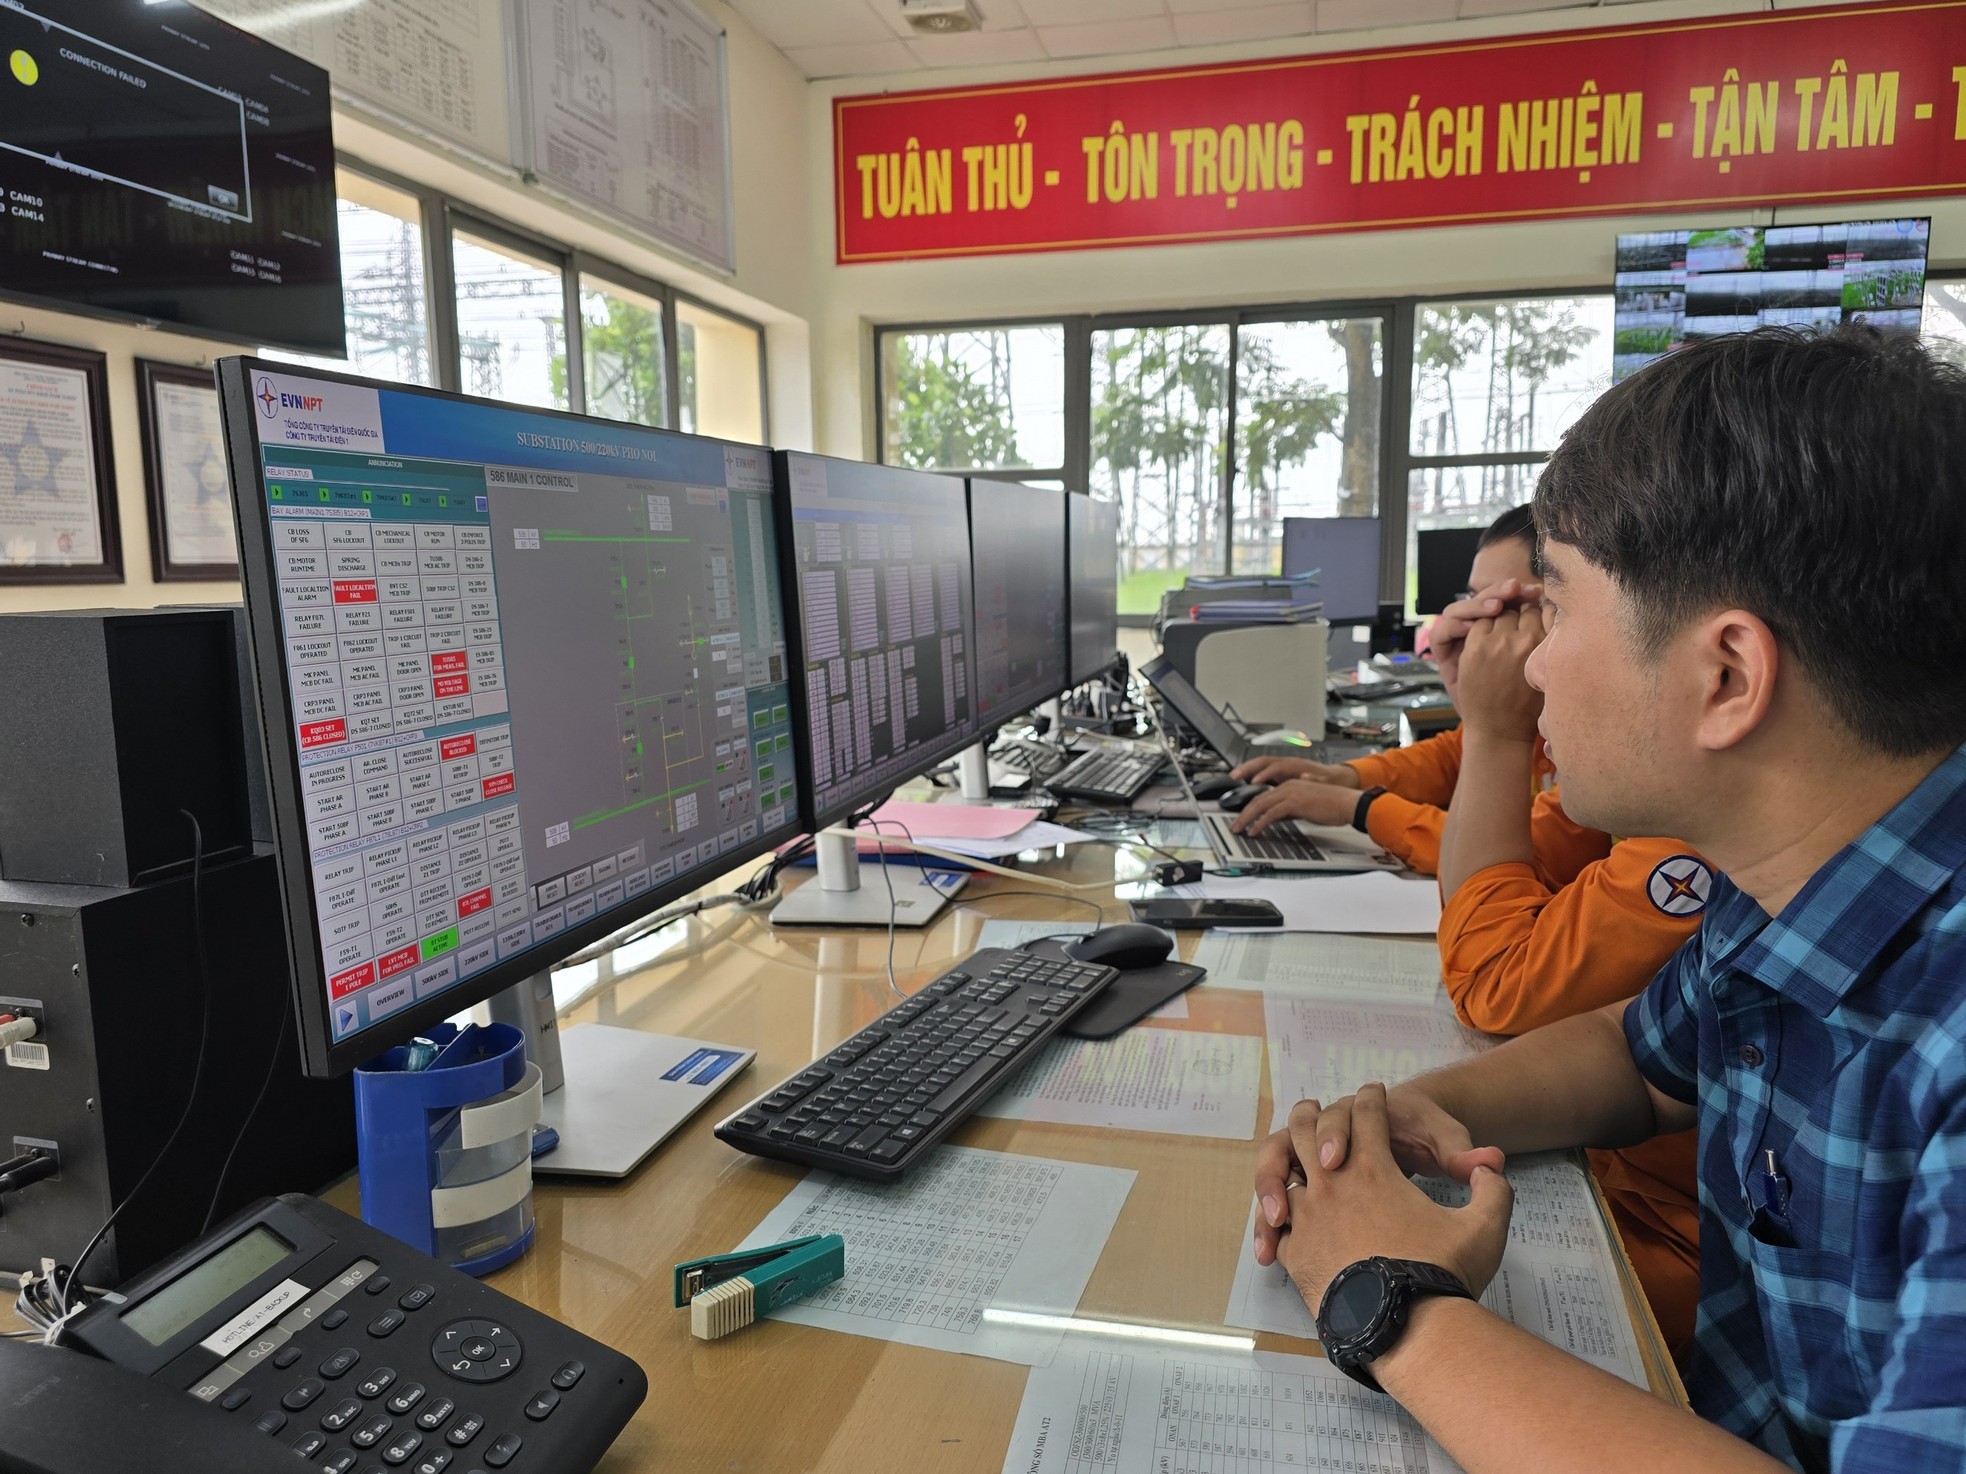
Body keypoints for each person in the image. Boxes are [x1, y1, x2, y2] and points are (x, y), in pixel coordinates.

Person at [1252, 325, 1966, 1471]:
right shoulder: (1784, 874)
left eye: (1562, 611)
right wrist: (1416, 1112)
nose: (1528, 666)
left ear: (1725, 675)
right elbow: (1641, 1061)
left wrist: (1388, 1302)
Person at [1226, 505, 1552, 872]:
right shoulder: (1538, 716)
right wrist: (1346, 777)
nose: (1477, 629)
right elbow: (1451, 758)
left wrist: (1357, 806)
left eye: (1504, 608)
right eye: (1473, 601)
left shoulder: (1589, 738)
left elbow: (1529, 855)